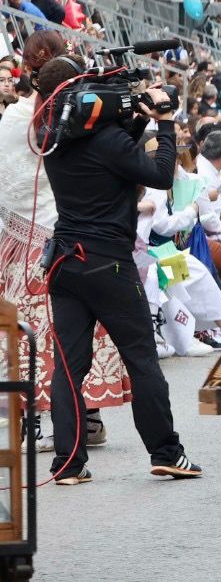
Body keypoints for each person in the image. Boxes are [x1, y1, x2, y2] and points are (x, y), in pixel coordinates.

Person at [35, 52, 200, 486]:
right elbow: (161, 175)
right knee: (142, 358)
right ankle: (167, 452)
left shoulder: (52, 138)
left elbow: (114, 150)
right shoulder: (107, 142)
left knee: (69, 367)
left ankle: (68, 465)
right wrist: (164, 123)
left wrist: (135, 117)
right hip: (108, 263)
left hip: (66, 262)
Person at [0, 33, 130, 454]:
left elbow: (9, 181)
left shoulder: (15, 118)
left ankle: (35, 422)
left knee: (30, 332)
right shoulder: (86, 115)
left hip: (24, 242)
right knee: (78, 331)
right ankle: (88, 417)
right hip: (78, 237)